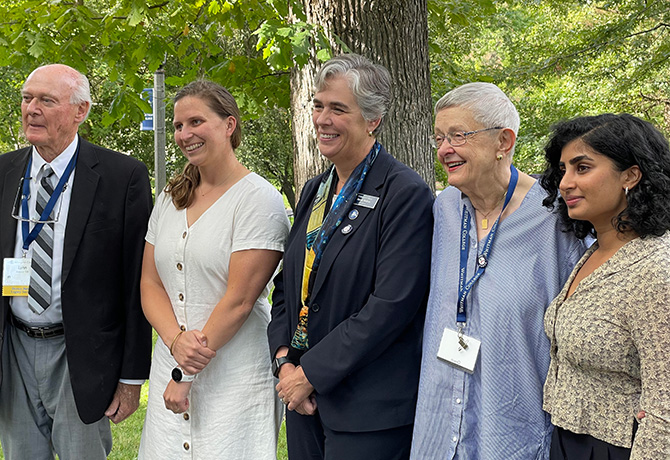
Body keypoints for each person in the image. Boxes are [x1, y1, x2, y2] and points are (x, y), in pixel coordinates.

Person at [267, 53, 433, 460]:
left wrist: (312, 373)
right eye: (318, 106)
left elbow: (392, 305)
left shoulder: (404, 193)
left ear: (372, 120)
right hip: (304, 400)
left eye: (338, 109)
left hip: (367, 411)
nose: (323, 119)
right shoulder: (315, 190)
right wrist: (285, 360)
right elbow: (288, 288)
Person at [410, 82, 588, 460]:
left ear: (503, 143)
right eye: (439, 137)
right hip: (439, 425)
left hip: (512, 428)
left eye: (458, 135)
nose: (445, 149)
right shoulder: (444, 209)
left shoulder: (557, 216)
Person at [0, 64, 153, 459]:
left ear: (80, 111)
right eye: (27, 98)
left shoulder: (123, 176)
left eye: (46, 100)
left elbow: (137, 282)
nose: (31, 109)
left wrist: (132, 376)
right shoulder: (4, 171)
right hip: (13, 346)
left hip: (81, 354)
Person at [138, 80, 290, 459]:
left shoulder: (259, 200)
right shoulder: (169, 199)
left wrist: (184, 374)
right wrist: (175, 343)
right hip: (171, 363)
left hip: (235, 373)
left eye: (195, 122)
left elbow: (239, 301)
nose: (184, 134)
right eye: (177, 126)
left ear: (229, 125)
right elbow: (150, 282)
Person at [540, 113, 670, 459]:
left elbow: (665, 408)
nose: (565, 182)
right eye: (564, 169)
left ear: (631, 175)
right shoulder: (597, 251)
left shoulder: (655, 269)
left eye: (582, 168)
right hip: (567, 440)